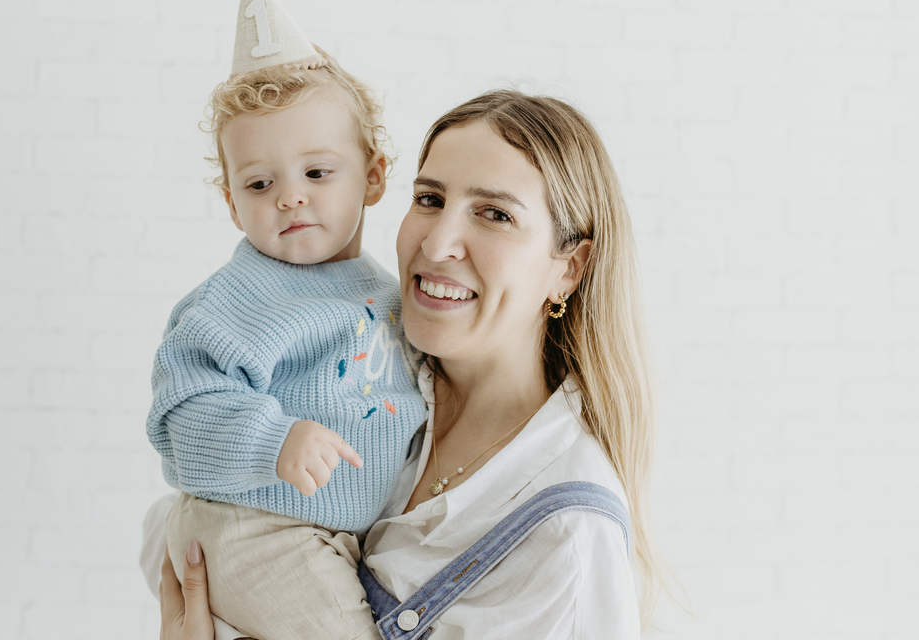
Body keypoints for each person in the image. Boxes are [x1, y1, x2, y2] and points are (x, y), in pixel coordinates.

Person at [144, 90, 668, 639]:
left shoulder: (569, 536)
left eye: (495, 214)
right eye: (430, 199)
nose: (439, 243)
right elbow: (179, 524)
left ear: (570, 266)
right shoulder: (375, 369)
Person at [146, 0, 424, 640]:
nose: (290, 198)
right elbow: (183, 416)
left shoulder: (388, 294)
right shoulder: (235, 302)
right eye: (260, 183)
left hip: (330, 536)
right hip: (255, 525)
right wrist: (272, 439)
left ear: (373, 174)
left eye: (317, 172)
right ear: (232, 202)